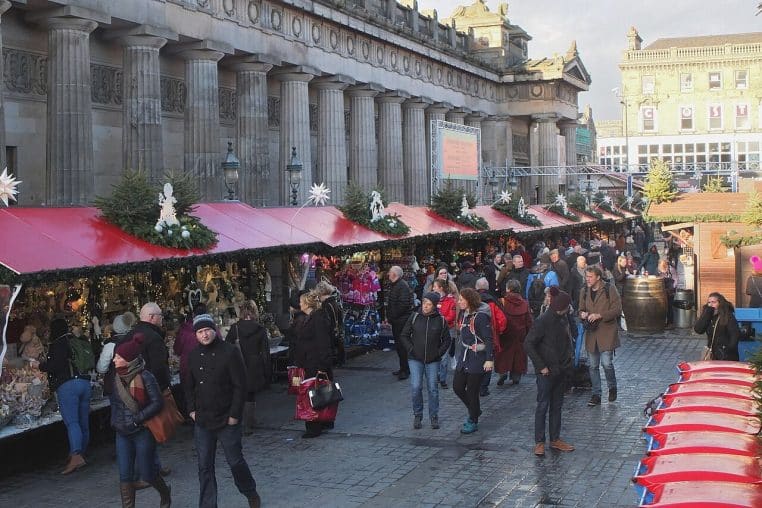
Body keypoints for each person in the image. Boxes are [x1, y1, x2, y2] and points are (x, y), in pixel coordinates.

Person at [186, 313, 261, 508]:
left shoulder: (229, 352)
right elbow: (188, 386)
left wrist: (235, 415)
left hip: (227, 417)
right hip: (203, 419)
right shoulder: (193, 356)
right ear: (196, 335)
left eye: (207, 330)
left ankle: (249, 491)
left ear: (214, 330)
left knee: (235, 461)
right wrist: (191, 410)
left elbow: (240, 385)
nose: (204, 335)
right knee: (204, 466)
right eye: (200, 332)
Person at [110, 334, 172, 508]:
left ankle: (165, 494)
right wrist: (115, 422)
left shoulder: (145, 376)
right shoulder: (115, 378)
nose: (114, 359)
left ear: (129, 359)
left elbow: (157, 403)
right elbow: (115, 403)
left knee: (148, 473)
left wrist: (137, 420)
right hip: (122, 432)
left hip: (142, 431)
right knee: (125, 475)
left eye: (119, 357)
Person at [36, 318, 93, 474]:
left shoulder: (58, 344)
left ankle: (76, 456)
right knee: (83, 421)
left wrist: (41, 365)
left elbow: (56, 365)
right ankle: (82, 452)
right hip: (85, 383)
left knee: (72, 422)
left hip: (68, 386)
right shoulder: (75, 340)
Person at [524, 287, 575, 457]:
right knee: (543, 405)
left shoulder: (563, 318)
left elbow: (567, 341)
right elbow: (528, 344)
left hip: (560, 369)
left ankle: (555, 439)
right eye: (568, 305)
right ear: (562, 306)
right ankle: (539, 442)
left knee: (557, 406)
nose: (569, 308)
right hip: (546, 371)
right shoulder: (543, 320)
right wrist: (541, 367)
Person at [399, 292, 450, 430]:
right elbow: (404, 335)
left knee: (433, 388)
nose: (425, 307)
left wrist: (438, 354)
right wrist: (411, 349)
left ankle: (434, 415)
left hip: (432, 360)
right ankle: (417, 414)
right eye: (424, 304)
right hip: (415, 359)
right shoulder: (415, 316)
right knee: (416, 387)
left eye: (429, 305)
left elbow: (447, 340)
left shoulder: (440, 320)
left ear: (434, 306)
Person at [292, 291, 335, 438]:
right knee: (318, 393)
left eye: (301, 301)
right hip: (310, 361)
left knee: (313, 394)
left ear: (307, 303)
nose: (299, 304)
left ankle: (314, 426)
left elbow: (323, 342)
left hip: (315, 362)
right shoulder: (310, 318)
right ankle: (322, 421)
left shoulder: (317, 318)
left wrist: (323, 364)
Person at [578, 266, 623, 407]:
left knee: (607, 363)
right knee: (593, 366)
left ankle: (612, 387)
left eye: (590, 277)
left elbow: (617, 309)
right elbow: (580, 309)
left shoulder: (609, 289)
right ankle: (596, 394)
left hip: (607, 331)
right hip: (591, 333)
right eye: (586, 277)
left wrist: (600, 315)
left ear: (598, 277)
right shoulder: (584, 291)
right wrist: (582, 314)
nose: (588, 279)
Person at [225, 300, 270, 436]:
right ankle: (249, 421)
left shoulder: (235, 328)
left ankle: (241, 422)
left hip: (238, 363)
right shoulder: (260, 329)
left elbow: (226, 347)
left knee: (239, 393)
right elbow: (265, 352)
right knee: (251, 394)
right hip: (255, 364)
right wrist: (267, 371)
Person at [452, 288, 494, 434]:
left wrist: (489, 359)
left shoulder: (481, 317)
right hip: (464, 355)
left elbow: (489, 339)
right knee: (457, 386)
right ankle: (475, 410)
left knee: (472, 391)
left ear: (469, 300)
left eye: (461, 299)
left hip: (477, 358)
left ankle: (473, 419)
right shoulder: (463, 314)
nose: (459, 302)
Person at [496, 279, 533, 386]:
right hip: (520, 332)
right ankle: (516, 376)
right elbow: (529, 320)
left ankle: (503, 372)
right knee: (519, 354)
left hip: (506, 331)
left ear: (508, 289)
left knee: (503, 353)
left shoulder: (502, 302)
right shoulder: (525, 303)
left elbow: (499, 318)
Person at [475, 278, 507, 396]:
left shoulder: (472, 301)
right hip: (490, 335)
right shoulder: (492, 302)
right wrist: (499, 332)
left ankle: (476, 385)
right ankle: (483, 387)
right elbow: (502, 320)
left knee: (475, 360)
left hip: (474, 337)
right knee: (488, 361)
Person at [97, 312, 137, 395]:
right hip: (135, 384)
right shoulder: (136, 341)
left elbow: (101, 368)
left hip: (117, 386)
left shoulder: (110, 345)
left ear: (114, 327)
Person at [386, 266, 415, 380]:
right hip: (398, 320)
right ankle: (403, 368)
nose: (388, 274)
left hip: (401, 321)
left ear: (395, 275)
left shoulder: (401, 286)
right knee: (399, 346)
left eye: (390, 273)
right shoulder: (397, 285)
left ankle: (406, 370)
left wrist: (393, 316)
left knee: (402, 346)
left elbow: (403, 305)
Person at [694, 292, 740, 361]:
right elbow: (698, 330)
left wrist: (727, 350)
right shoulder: (708, 316)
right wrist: (706, 314)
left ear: (720, 303)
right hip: (712, 353)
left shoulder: (728, 316)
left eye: (713, 302)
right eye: (709, 302)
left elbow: (735, 335)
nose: (711, 305)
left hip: (726, 355)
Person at [432, 278, 457, 389]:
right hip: (435, 330)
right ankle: (436, 375)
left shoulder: (451, 300)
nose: (433, 288)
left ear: (441, 288)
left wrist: (439, 320)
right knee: (435, 353)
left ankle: (442, 378)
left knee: (445, 356)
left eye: (435, 286)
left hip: (447, 330)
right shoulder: (432, 299)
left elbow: (451, 316)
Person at [314, 281, 346, 367]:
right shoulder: (334, 302)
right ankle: (340, 360)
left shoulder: (327, 305)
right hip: (337, 329)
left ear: (321, 293)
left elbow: (327, 322)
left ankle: (334, 362)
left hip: (331, 332)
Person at [657, 259, 677, 327]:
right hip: (663, 290)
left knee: (669, 307)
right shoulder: (659, 270)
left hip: (670, 291)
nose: (661, 269)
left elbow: (676, 281)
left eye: (662, 267)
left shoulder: (671, 270)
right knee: (663, 307)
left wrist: (671, 289)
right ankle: (663, 322)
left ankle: (670, 323)